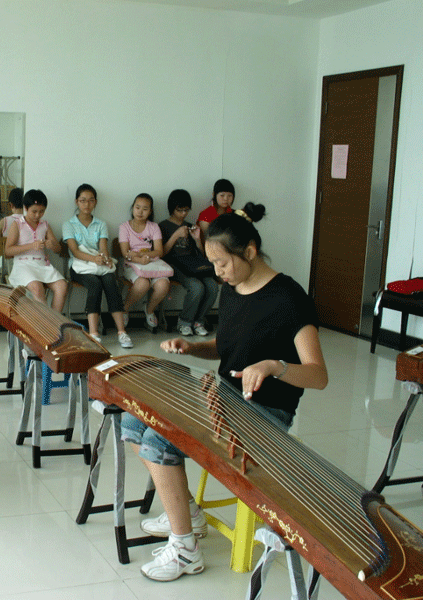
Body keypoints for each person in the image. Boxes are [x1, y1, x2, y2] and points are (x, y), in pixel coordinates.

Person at [121, 202, 327, 582]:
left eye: (222, 263)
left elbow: (318, 375)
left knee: (158, 439)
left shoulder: (289, 298)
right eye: (212, 263)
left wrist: (274, 366)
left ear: (249, 251)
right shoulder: (232, 288)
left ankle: (185, 549)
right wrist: (193, 347)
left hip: (265, 413)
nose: (217, 272)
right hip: (225, 398)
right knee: (134, 422)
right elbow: (228, 345)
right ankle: (188, 512)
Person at [63, 184, 132, 348]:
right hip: (79, 266)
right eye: (83, 200)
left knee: (111, 282)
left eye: (91, 200)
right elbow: (75, 251)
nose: (87, 204)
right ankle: (94, 333)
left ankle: (121, 332)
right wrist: (95, 259)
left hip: (98, 264)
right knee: (95, 284)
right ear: (76, 202)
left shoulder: (101, 224)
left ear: (95, 202)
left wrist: (105, 258)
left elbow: (103, 247)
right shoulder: (69, 224)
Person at [159, 189, 219, 337]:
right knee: (196, 287)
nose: (183, 214)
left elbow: (201, 255)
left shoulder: (190, 225)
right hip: (174, 265)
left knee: (212, 286)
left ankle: (198, 321)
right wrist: (176, 235)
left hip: (193, 265)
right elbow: (161, 254)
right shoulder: (163, 226)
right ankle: (184, 322)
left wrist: (197, 239)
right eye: (179, 210)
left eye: (186, 210)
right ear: (172, 208)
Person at [5, 189, 67, 312]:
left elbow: (58, 249)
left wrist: (52, 245)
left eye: (41, 211)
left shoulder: (45, 225)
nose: (38, 215)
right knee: (37, 288)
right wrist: (31, 246)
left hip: (42, 264)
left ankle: (52, 320)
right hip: (23, 265)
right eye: (34, 211)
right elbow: (8, 251)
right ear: (25, 208)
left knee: (62, 286)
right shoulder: (17, 224)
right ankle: (43, 322)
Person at [119, 193, 172, 331]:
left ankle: (149, 310)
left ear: (150, 211)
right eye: (137, 207)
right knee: (142, 284)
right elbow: (125, 253)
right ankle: (125, 309)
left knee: (163, 285)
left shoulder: (153, 226)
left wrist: (143, 256)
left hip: (151, 263)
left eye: (145, 209)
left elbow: (159, 251)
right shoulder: (124, 227)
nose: (140, 212)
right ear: (133, 208)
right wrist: (138, 259)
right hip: (132, 264)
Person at [0, 187, 24, 283]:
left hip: (7, 263)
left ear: (10, 204)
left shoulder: (4, 221)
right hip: (26, 262)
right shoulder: (30, 221)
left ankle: (1, 287)